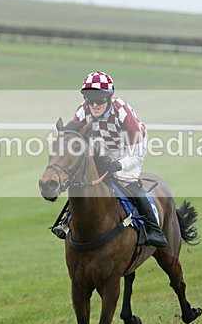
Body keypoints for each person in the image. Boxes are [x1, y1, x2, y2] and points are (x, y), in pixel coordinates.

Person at [69, 71, 167, 248]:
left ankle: (154, 229)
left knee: (127, 182)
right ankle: (67, 220)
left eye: (100, 100)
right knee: (84, 181)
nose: (94, 105)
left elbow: (136, 154)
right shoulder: (83, 110)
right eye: (90, 100)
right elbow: (73, 137)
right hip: (102, 147)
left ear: (109, 97)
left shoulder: (122, 111)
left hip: (130, 147)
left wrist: (118, 165)